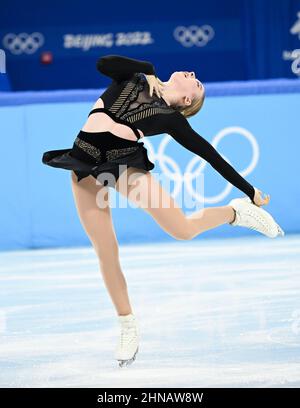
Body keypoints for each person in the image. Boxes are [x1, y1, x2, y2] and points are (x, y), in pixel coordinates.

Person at [42, 54, 284, 367]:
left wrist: (249, 191)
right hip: (84, 165)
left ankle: (235, 213)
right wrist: (148, 70)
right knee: (106, 250)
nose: (193, 72)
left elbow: (210, 155)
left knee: (181, 229)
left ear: (186, 99)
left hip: (123, 166)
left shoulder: (170, 119)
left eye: (196, 84)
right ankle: (127, 324)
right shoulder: (133, 78)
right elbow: (104, 62)